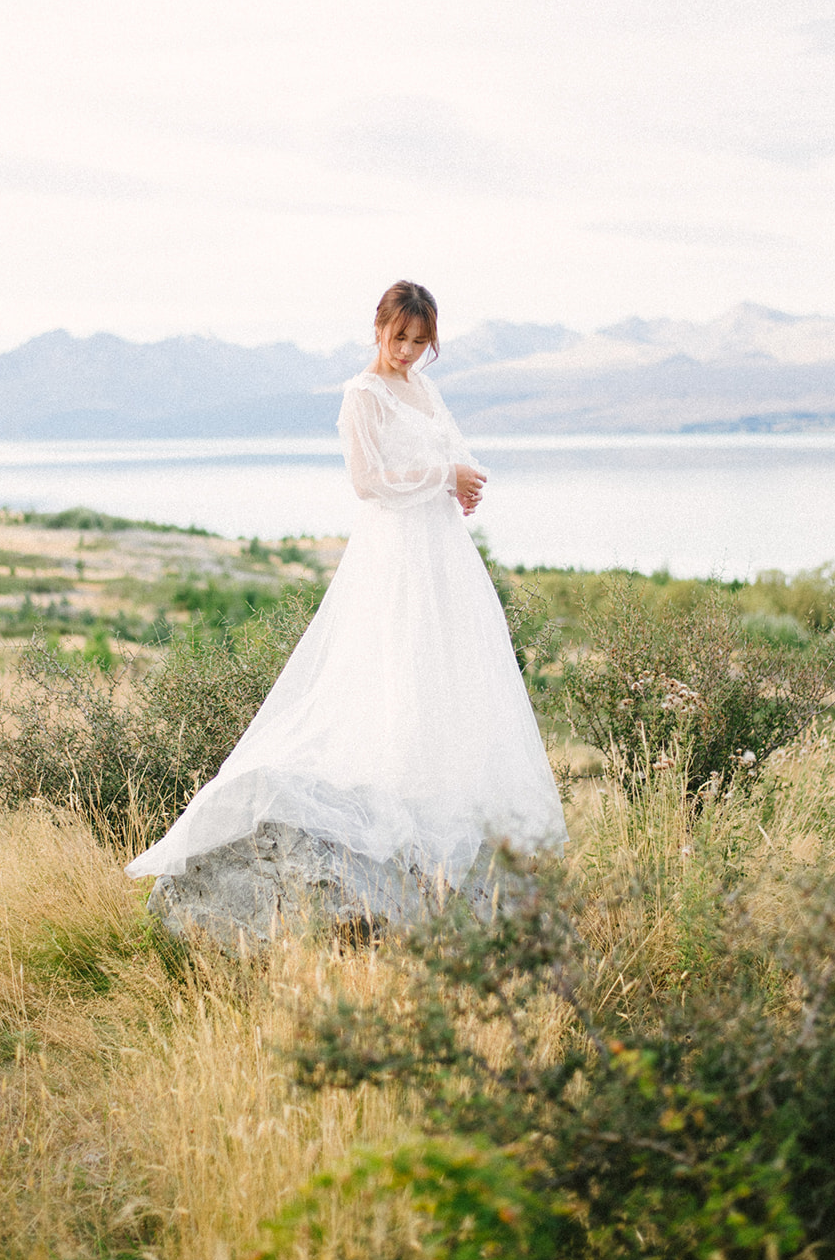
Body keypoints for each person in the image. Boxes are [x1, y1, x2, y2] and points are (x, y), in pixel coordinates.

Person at [125, 280, 568, 889]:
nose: (408, 351)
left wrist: (463, 480)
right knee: (400, 664)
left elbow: (450, 447)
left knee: (450, 667)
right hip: (397, 553)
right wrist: (445, 474)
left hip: (444, 551)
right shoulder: (362, 395)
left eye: (420, 341)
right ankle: (395, 805)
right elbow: (366, 481)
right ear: (379, 327)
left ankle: (447, 806)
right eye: (400, 337)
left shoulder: (421, 386)